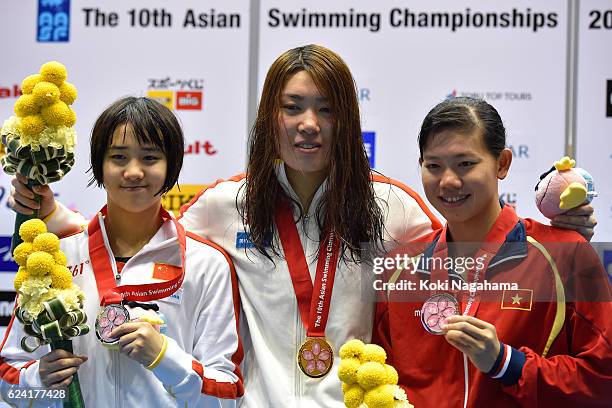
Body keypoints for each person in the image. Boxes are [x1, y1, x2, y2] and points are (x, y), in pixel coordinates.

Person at [7, 46, 598, 407]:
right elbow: (142, 237)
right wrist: (53, 215)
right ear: (271, 115)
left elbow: (473, 236)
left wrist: (561, 224)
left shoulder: (394, 210)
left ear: (349, 118)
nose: (308, 124)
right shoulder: (226, 205)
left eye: (326, 108)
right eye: (292, 107)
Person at [0, 97, 243, 407]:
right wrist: (37, 381)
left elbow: (226, 397)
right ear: (100, 164)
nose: (134, 171)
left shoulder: (206, 264)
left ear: (172, 166)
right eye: (118, 157)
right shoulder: (55, 258)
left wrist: (165, 358)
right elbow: (8, 383)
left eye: (150, 157)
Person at [373, 97, 612, 407]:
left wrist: (507, 364)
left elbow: (603, 380)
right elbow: (380, 380)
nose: (448, 181)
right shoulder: (399, 269)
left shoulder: (566, 257)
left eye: (465, 164)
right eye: (433, 165)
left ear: (502, 164)